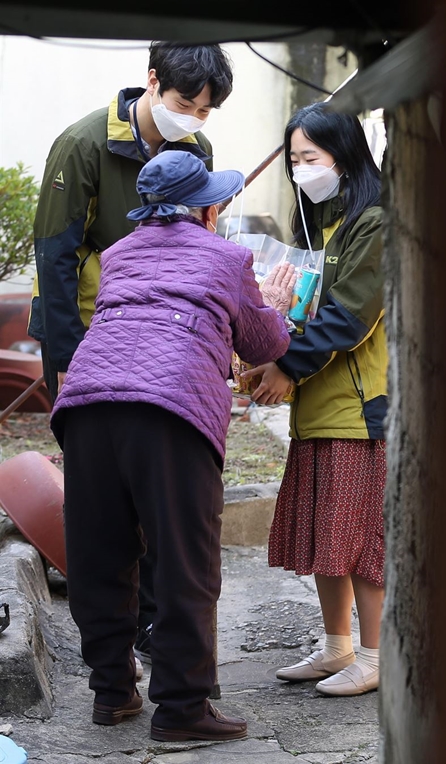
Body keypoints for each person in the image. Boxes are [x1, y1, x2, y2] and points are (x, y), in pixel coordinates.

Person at [50, 150, 296, 742]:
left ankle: (112, 693)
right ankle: (183, 709)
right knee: (184, 557)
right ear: (207, 210)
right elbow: (262, 344)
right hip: (171, 408)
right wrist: (278, 306)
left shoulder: (117, 254)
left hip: (88, 403)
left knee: (101, 551)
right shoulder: (228, 257)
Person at [29, 40, 234, 662]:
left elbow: (205, 245)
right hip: (91, 339)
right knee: (105, 494)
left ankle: (153, 630)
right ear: (151, 83)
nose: (194, 121)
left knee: (161, 491)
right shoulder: (85, 143)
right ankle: (115, 648)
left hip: (168, 346)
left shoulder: (193, 149)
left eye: (205, 111)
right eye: (183, 104)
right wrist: (64, 359)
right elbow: (55, 256)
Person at [243, 102, 387, 697]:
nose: (302, 170)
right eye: (295, 159)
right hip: (318, 404)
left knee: (359, 539)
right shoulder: (324, 224)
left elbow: (351, 318)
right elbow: (306, 308)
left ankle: (378, 656)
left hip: (356, 406)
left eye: (312, 157)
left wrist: (286, 366)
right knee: (329, 534)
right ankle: (337, 648)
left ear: (345, 155)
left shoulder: (374, 223)